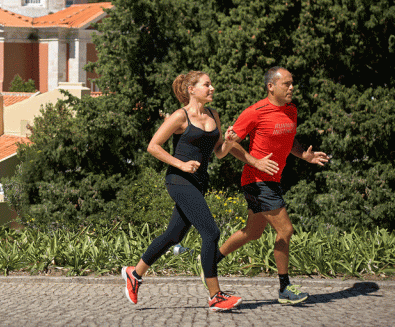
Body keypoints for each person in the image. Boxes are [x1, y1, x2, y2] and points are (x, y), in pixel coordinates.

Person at [121, 71, 243, 312]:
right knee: (211, 232)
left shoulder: (213, 115)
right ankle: (215, 295)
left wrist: (228, 142)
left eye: (211, 84)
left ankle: (134, 274)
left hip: (199, 182)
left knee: (174, 235)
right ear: (191, 89)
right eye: (207, 85)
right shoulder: (180, 116)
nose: (212, 88)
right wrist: (181, 164)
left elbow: (218, 152)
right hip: (179, 180)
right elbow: (153, 146)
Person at [216, 66, 330, 305]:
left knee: (253, 232)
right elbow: (229, 144)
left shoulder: (291, 110)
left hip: (272, 180)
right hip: (257, 180)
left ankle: (209, 260)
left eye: (292, 83)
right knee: (286, 230)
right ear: (271, 86)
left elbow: (288, 140)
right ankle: (284, 288)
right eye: (286, 84)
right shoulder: (254, 112)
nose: (291, 88)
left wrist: (305, 156)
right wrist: (255, 161)